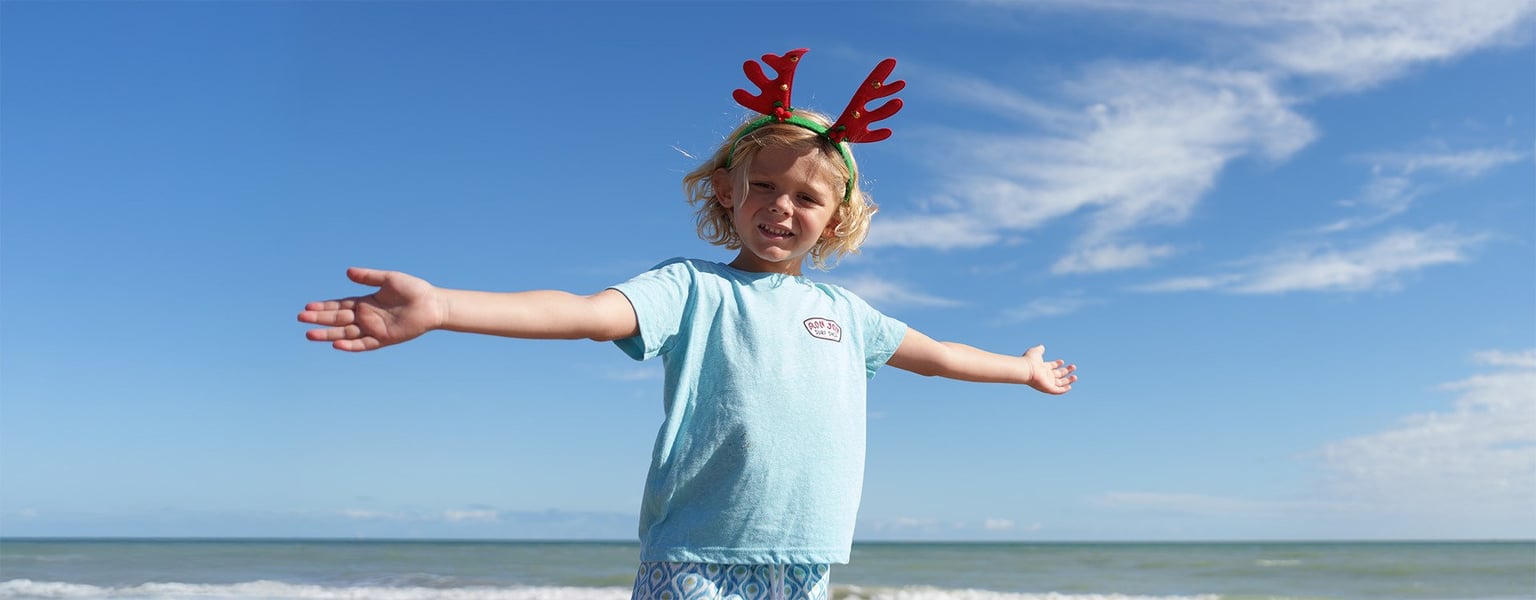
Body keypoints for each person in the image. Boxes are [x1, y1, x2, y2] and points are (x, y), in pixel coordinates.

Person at [298, 49, 1076, 600]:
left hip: (803, 561)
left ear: (835, 219)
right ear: (725, 197)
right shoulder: (690, 289)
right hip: (698, 556)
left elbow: (939, 355)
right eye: (763, 186)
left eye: (807, 197)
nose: (782, 206)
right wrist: (445, 307)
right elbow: (583, 314)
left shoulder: (847, 315)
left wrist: (1023, 368)